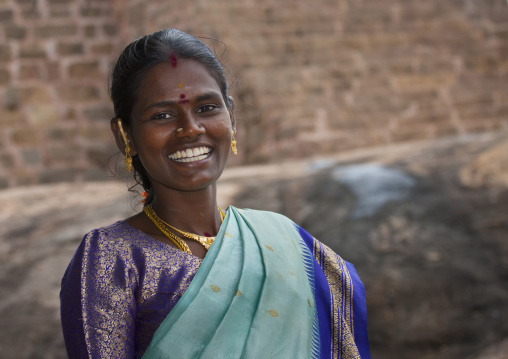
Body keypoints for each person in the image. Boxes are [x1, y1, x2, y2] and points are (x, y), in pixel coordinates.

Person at [60, 28, 371, 359]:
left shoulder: (288, 242)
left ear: (232, 116)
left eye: (206, 108)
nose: (191, 128)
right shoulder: (113, 260)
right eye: (162, 115)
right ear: (125, 136)